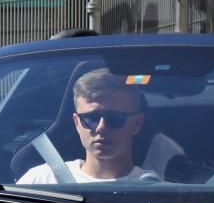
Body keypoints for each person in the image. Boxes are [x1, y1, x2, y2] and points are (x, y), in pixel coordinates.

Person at [18, 69, 158, 183]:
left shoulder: (160, 193)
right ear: (77, 123)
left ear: (137, 123)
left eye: (115, 118)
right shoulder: (42, 180)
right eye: (91, 118)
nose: (101, 127)